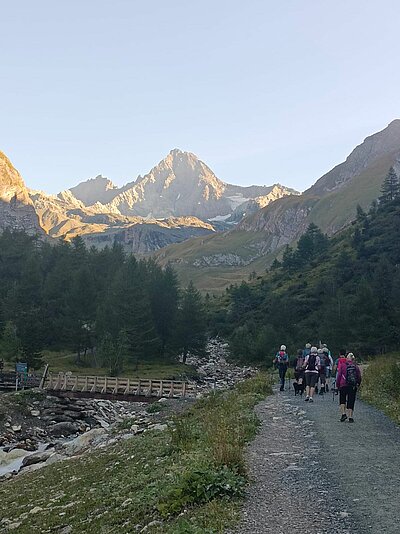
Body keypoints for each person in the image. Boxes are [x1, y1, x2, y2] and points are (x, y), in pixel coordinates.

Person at [336, 352, 362, 422]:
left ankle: (343, 414)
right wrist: (358, 384)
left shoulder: (343, 365)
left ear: (347, 358)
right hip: (352, 385)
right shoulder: (355, 366)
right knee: (351, 400)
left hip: (343, 385)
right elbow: (359, 376)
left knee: (342, 399)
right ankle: (350, 417)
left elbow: (339, 376)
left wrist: (337, 385)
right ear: (353, 359)